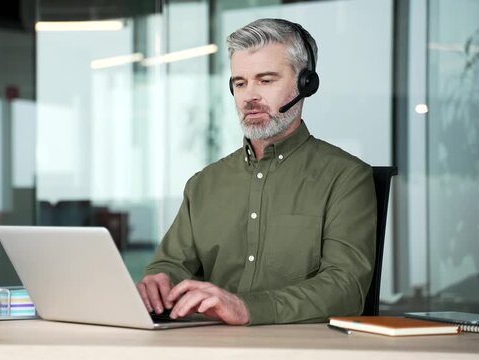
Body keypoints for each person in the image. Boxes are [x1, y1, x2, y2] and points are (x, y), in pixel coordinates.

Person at [136, 18, 377, 326]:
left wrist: (247, 308)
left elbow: (346, 287)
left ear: (306, 84)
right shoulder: (203, 184)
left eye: (265, 80)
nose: (249, 96)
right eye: (240, 83)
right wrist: (159, 283)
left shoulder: (347, 178)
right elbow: (171, 265)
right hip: (208, 347)